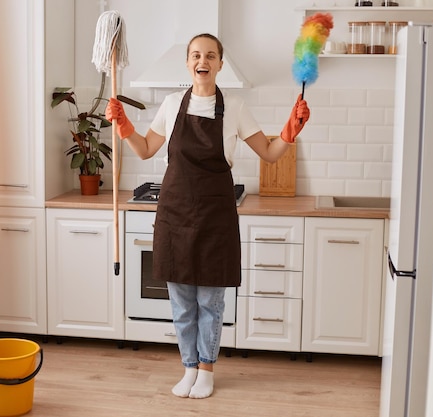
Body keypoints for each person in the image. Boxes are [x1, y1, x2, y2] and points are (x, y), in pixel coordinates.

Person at [106, 33, 310, 399]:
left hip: (216, 214)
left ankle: (207, 370)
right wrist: (124, 127)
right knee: (182, 302)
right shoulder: (171, 105)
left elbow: (269, 153)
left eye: (211, 55)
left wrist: (289, 130)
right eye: (196, 55)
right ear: (188, 63)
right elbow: (146, 150)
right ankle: (188, 367)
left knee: (210, 302)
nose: (203, 61)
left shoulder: (234, 107)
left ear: (219, 64)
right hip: (175, 211)